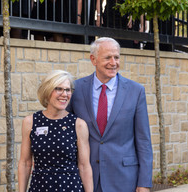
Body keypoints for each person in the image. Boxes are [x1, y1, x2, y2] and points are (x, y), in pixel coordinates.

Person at [68, 37, 153, 192]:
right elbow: (64, 130)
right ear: (93, 59)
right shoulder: (76, 89)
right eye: (108, 57)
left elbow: (143, 140)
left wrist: (144, 182)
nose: (114, 63)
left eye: (117, 57)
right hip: (86, 177)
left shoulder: (136, 91)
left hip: (125, 178)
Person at [18, 70, 93, 192]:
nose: (65, 94)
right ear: (47, 92)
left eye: (68, 90)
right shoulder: (30, 122)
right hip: (40, 187)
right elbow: (25, 163)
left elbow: (84, 166)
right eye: (59, 89)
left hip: (70, 188)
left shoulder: (78, 124)